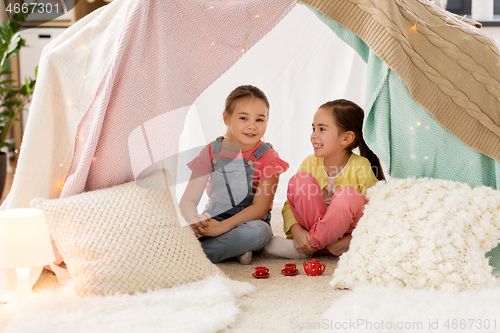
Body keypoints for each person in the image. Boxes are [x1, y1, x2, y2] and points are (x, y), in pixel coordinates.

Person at [179, 85, 289, 264]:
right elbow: (188, 200)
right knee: (173, 228)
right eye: (243, 118)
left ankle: (193, 256)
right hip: (213, 217)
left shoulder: (268, 157)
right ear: (226, 117)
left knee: (260, 232)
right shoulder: (211, 152)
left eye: (260, 120)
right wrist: (193, 220)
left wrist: (222, 227)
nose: (252, 126)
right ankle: (234, 249)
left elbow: (259, 209)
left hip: (248, 221)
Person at [266, 99, 384, 258]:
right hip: (311, 224)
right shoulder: (310, 162)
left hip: (345, 232)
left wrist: (349, 241)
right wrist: (297, 230)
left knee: (348, 196)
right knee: (300, 181)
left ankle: (311, 247)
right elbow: (290, 204)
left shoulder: (361, 166)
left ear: (346, 138)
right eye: (313, 128)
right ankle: (322, 245)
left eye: (322, 129)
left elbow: (377, 211)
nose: (313, 135)